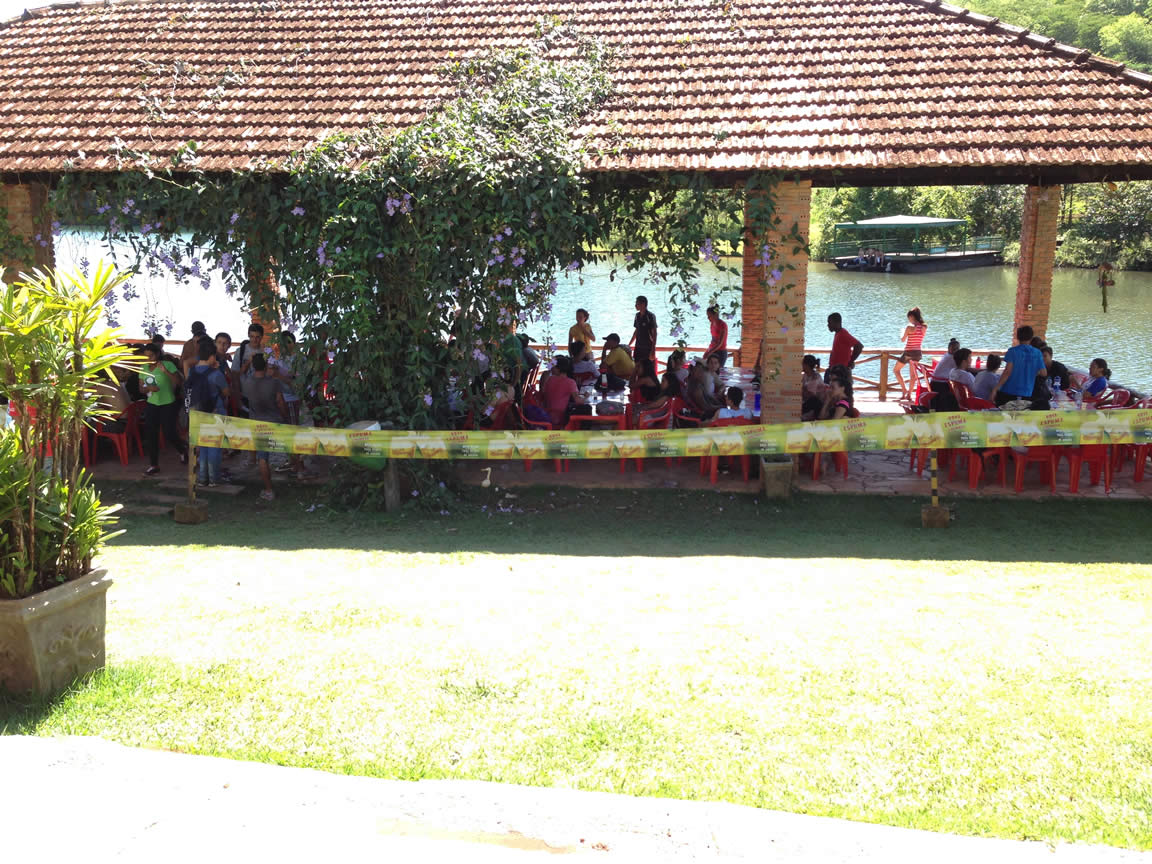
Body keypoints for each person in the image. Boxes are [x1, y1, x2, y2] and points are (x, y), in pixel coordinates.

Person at [242, 353, 288, 501]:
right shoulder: (274, 382)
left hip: (257, 424)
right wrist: (285, 418)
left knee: (262, 458)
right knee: (291, 447)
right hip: (275, 421)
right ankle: (300, 470)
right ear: (266, 365)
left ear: (253, 365)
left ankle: (268, 490)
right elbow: (280, 402)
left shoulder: (247, 383)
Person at [186, 341, 230, 487]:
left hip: (197, 413)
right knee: (214, 447)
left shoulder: (192, 371)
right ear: (212, 356)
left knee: (203, 446)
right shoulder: (216, 374)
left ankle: (202, 477)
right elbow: (226, 392)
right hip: (214, 412)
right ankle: (214, 478)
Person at [140, 341, 186, 475]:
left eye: (151, 356)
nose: (148, 359)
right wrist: (148, 388)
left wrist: (165, 371)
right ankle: (154, 464)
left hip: (168, 403)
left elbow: (178, 382)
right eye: (146, 356)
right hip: (152, 403)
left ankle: (182, 450)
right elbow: (140, 388)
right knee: (151, 434)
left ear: (157, 354)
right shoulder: (143, 368)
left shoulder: (167, 364)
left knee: (169, 432)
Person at [990, 326, 1045, 408]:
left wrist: (996, 388)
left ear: (1018, 337)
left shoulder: (1012, 351)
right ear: (1031, 337)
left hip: (1008, 391)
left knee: (1004, 414)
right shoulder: (1037, 353)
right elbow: (1043, 373)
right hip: (1027, 393)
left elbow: (1007, 372)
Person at [541, 355, 585, 425]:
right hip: (560, 417)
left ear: (559, 369)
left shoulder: (550, 379)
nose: (551, 368)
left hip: (547, 414)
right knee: (586, 408)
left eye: (553, 366)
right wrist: (586, 396)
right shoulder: (570, 382)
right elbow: (578, 401)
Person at [893, 307, 926, 399]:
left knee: (896, 370)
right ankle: (909, 395)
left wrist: (902, 332)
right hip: (918, 353)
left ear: (911, 316)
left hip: (908, 352)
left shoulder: (909, 327)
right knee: (913, 375)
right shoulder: (924, 327)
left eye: (909, 317)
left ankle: (904, 390)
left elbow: (903, 339)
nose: (909, 319)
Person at [826, 313, 862, 381]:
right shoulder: (838, 333)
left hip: (841, 373)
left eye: (830, 323)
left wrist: (851, 361)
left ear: (837, 323)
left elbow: (859, 346)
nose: (828, 325)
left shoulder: (843, 334)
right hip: (835, 370)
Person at [928, 338, 961, 405]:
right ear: (948, 349)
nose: (956, 351)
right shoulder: (951, 358)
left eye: (957, 349)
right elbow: (961, 368)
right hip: (940, 384)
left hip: (934, 382)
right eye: (954, 349)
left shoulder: (947, 355)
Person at [629, 295, 657, 369]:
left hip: (648, 347)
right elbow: (636, 331)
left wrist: (653, 349)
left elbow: (654, 333)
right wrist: (629, 344)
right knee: (637, 367)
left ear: (643, 304)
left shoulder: (650, 316)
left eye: (637, 303)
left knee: (648, 369)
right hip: (638, 347)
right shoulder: (637, 316)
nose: (635, 305)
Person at [801, 354, 826, 420]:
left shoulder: (815, 377)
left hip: (816, 406)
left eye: (802, 364)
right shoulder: (805, 375)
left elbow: (810, 396)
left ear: (806, 365)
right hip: (808, 402)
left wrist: (801, 389)